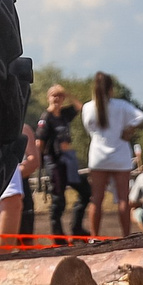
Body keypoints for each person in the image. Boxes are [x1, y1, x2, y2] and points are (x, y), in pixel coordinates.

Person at [80, 72, 143, 239]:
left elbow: (89, 130)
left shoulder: (88, 107)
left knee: (97, 199)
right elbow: (142, 117)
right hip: (120, 155)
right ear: (111, 89)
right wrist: (129, 129)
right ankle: (125, 235)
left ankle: (94, 236)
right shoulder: (121, 105)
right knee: (123, 198)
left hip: (98, 155)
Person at [33, 84, 86, 238]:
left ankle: (77, 228)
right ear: (48, 98)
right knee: (58, 198)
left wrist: (68, 94)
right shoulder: (46, 118)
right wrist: (40, 163)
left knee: (85, 192)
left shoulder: (63, 114)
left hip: (68, 160)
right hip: (54, 161)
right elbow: (40, 142)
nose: (57, 99)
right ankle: (58, 235)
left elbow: (79, 107)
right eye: (54, 95)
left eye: (60, 96)